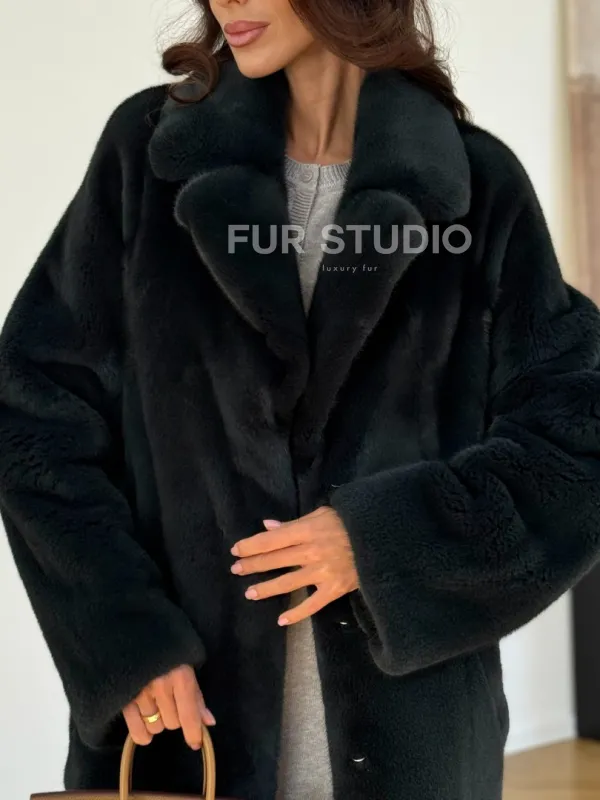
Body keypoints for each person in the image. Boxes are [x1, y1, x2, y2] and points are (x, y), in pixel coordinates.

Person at [2, 0, 600, 798]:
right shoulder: (148, 159)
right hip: (186, 742)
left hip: (414, 752)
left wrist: (387, 543)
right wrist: (122, 637)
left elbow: (576, 441)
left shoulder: (474, 188)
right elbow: (33, 413)